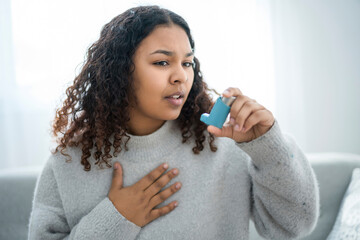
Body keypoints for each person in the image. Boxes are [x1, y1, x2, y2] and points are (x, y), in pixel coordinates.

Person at [28, 5, 319, 240]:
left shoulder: (223, 144)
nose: (181, 75)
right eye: (162, 62)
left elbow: (293, 227)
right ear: (119, 73)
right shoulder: (68, 163)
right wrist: (117, 218)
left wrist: (268, 145)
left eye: (187, 62)